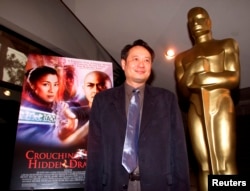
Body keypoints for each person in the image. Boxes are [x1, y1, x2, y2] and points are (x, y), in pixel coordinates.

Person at [85, 39, 190, 191]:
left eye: (146, 60)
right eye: (135, 59)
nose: (141, 64)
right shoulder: (103, 100)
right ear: (123, 64)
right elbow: (95, 152)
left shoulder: (167, 100)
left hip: (158, 185)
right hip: (112, 184)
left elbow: (179, 150)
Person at [174, 7, 240, 191]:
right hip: (196, 108)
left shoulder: (227, 44)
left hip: (221, 103)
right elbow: (183, 91)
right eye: (191, 21)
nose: (196, 23)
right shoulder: (182, 58)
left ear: (209, 21)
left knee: (224, 161)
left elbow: (233, 77)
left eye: (201, 18)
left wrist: (206, 78)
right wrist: (192, 69)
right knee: (204, 165)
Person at [60, 70, 112, 147]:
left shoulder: (120, 115)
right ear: (84, 88)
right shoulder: (74, 112)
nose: (95, 90)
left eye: (102, 85)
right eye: (90, 85)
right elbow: (62, 145)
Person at [16, 65, 60, 146]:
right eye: (46, 84)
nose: (52, 90)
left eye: (55, 84)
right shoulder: (26, 111)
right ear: (32, 85)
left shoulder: (53, 104)